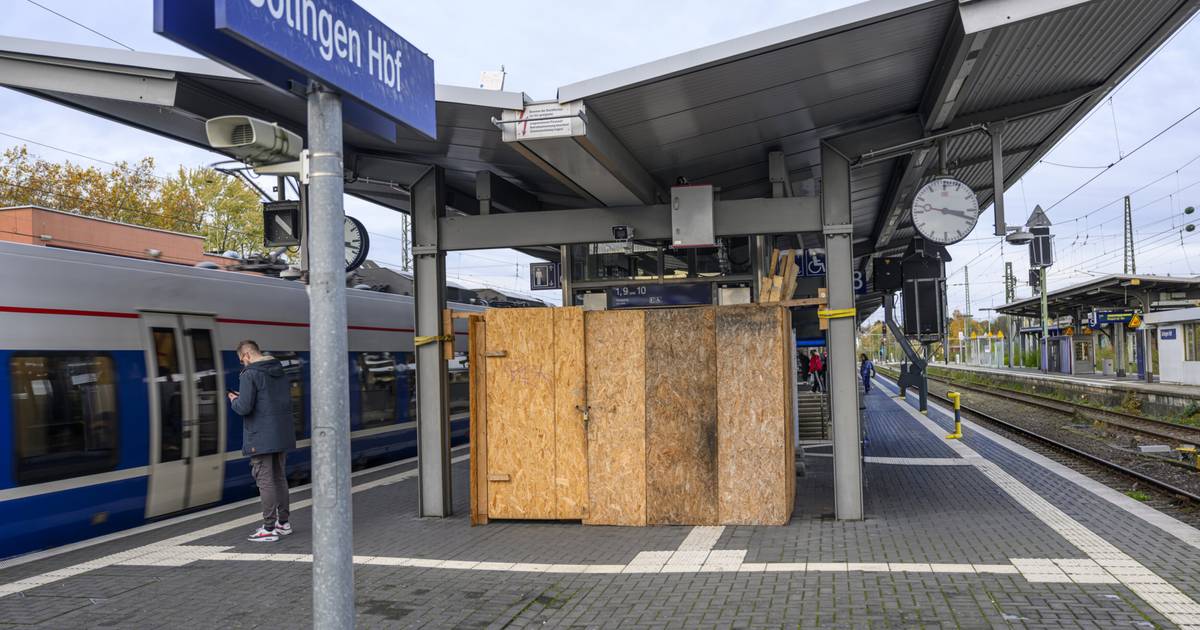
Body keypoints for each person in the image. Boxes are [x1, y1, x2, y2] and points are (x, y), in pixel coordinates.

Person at [228, 340, 296, 542]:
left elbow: (244, 408)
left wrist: (233, 400)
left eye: (242, 360)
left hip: (261, 435)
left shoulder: (250, 374)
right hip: (281, 433)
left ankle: (268, 528)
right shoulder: (278, 370)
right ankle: (283, 523)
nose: (243, 364)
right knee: (279, 478)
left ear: (247, 355)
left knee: (264, 480)